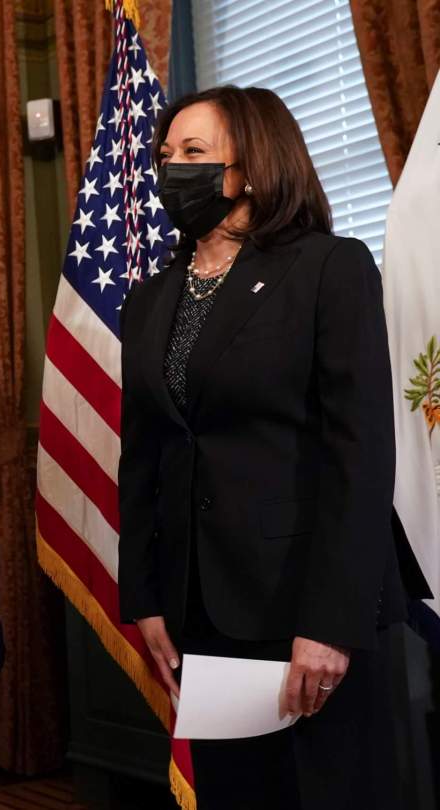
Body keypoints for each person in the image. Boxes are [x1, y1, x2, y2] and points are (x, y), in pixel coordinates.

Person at [117, 85, 431, 810]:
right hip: (201, 608)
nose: (172, 170)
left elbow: (357, 459)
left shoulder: (330, 269)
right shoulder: (150, 298)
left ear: (253, 167)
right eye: (167, 155)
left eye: (195, 153)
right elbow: (146, 456)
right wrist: (147, 596)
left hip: (309, 611)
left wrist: (328, 624)